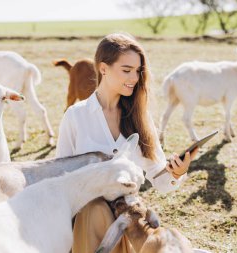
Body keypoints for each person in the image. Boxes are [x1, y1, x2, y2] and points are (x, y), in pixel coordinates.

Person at [56, 32, 198, 253]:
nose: (134, 78)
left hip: (130, 217)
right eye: (126, 70)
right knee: (96, 211)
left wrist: (177, 173)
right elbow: (60, 179)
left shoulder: (140, 118)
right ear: (103, 68)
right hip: (87, 216)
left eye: (138, 71)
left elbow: (160, 179)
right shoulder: (76, 116)